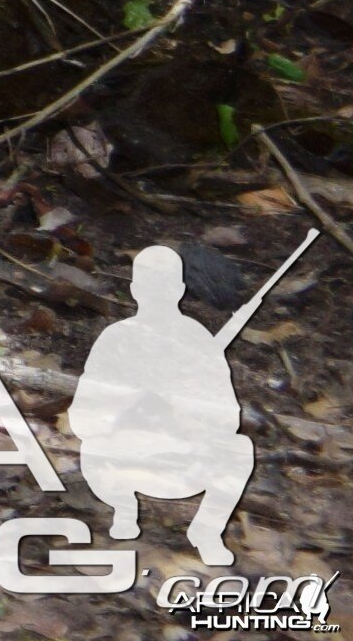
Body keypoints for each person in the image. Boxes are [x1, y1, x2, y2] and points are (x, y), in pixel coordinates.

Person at [69, 241, 260, 564]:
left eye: (165, 285)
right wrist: (129, 404)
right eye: (149, 285)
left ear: (179, 289)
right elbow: (83, 417)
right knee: (92, 449)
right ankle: (124, 510)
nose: (157, 293)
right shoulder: (116, 338)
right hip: (126, 456)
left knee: (240, 449)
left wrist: (187, 407)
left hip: (184, 457)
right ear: (135, 290)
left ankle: (207, 531)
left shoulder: (197, 339)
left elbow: (228, 417)